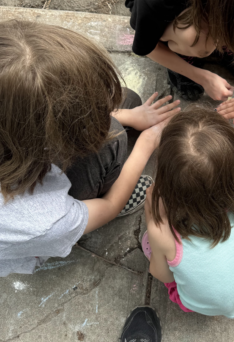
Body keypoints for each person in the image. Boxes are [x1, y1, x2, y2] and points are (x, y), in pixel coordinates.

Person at [0, 20, 180, 277]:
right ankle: (102, 183)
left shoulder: (14, 125)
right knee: (114, 139)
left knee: (127, 100)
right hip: (39, 228)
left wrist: (129, 115)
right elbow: (108, 208)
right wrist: (146, 143)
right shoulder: (47, 221)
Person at [143, 107, 234, 318]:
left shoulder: (164, 233)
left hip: (199, 304)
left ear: (167, 182)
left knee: (151, 245)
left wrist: (154, 219)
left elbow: (161, 274)